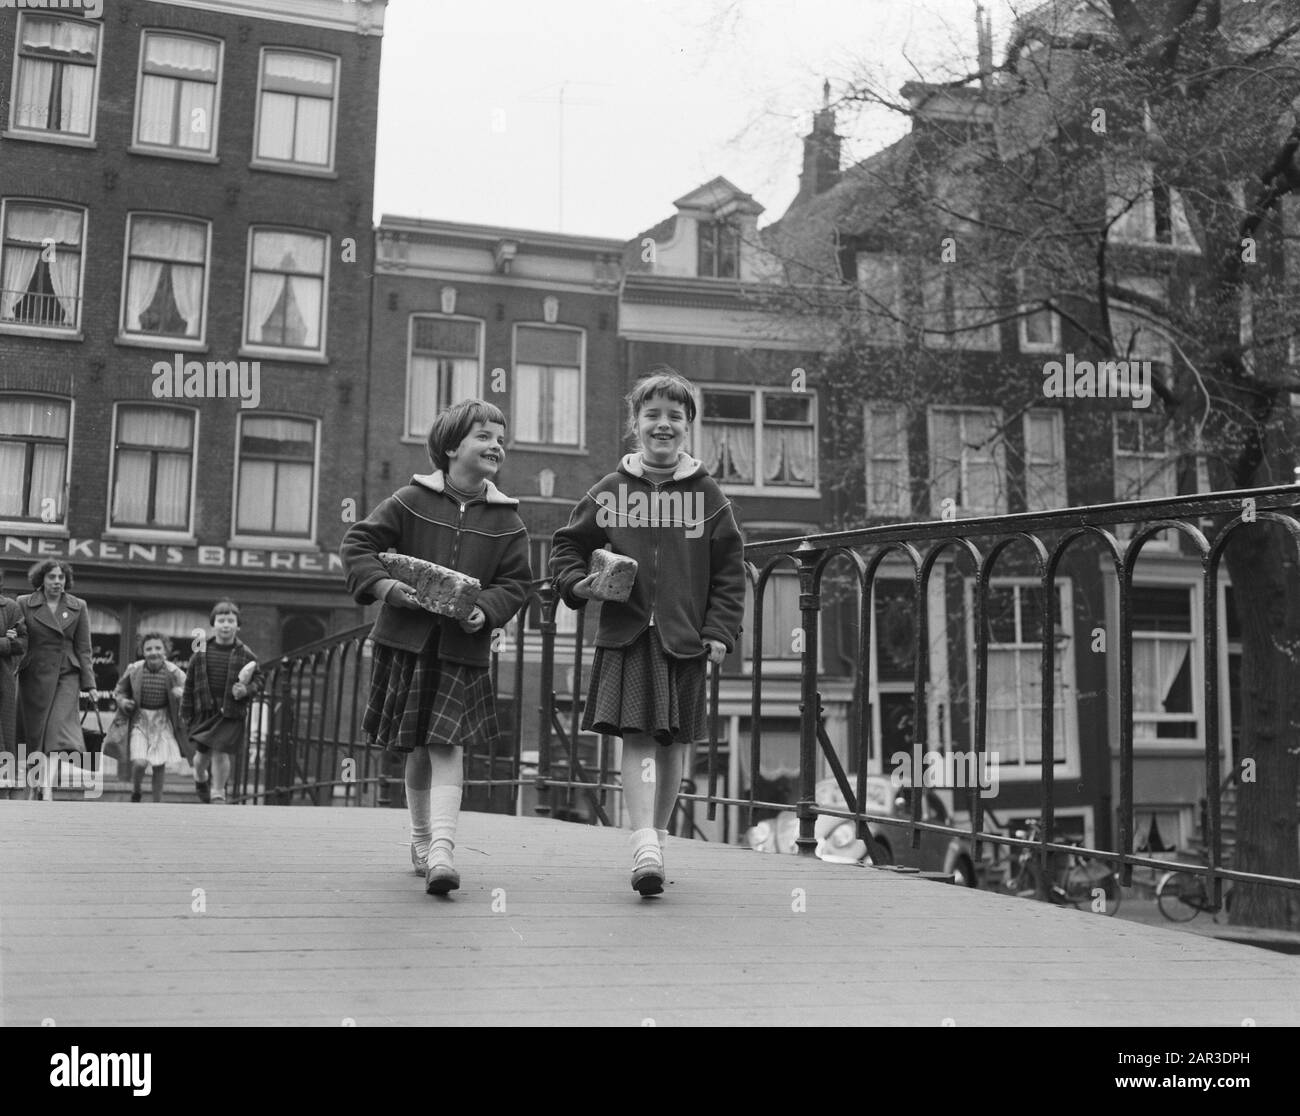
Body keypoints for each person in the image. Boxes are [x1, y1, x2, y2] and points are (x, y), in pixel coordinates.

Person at [550, 367, 745, 896]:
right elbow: (566, 545)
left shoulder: (708, 497)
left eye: (675, 417)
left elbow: (730, 570)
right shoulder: (610, 490)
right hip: (629, 632)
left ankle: (657, 838)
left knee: (674, 740)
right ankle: (643, 843)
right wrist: (578, 585)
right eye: (652, 415)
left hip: (683, 636)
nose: (663, 425)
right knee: (637, 735)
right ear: (635, 425)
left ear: (688, 428)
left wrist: (721, 630)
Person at [340, 399, 531, 896]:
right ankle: (421, 839)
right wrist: (385, 589)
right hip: (405, 642)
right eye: (484, 436)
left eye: (501, 438)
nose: (496, 445)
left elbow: (516, 584)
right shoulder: (409, 501)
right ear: (450, 447)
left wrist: (485, 610)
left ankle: (443, 848)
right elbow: (358, 544)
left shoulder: (508, 522)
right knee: (418, 745)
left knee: (447, 741)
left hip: (460, 650)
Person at [16, 560, 97, 800]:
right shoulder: (24, 603)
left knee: (56, 732)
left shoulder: (78, 606)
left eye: (61, 578)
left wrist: (90, 684)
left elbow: (84, 648)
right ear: (41, 579)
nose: (57, 582)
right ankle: (33, 787)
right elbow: (20, 640)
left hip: (66, 675)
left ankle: (48, 789)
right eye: (52, 577)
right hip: (34, 676)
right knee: (34, 734)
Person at [183, 600, 263, 804]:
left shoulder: (246, 654)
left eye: (230, 620)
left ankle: (218, 793)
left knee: (220, 752)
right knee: (201, 758)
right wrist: (186, 713)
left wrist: (246, 690)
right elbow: (190, 684)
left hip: (230, 711)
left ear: (238, 625)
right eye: (221, 620)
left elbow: (259, 680)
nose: (226, 625)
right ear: (213, 624)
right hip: (205, 710)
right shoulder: (199, 652)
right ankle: (200, 777)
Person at [114, 632, 189, 803]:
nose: (153, 652)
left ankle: (157, 802)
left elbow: (188, 689)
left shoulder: (173, 671)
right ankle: (137, 790)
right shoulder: (135, 669)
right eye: (149, 649)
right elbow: (120, 690)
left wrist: (182, 694)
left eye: (158, 648)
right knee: (140, 762)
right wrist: (124, 702)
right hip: (140, 720)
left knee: (159, 763)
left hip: (162, 720)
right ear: (142, 651)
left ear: (165, 651)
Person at [0, 572, 28, 796]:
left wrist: (12, 642)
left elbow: (22, 643)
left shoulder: (10, 608)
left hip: (3, 682)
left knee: (5, 738)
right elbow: (10, 643)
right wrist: (4, 642)